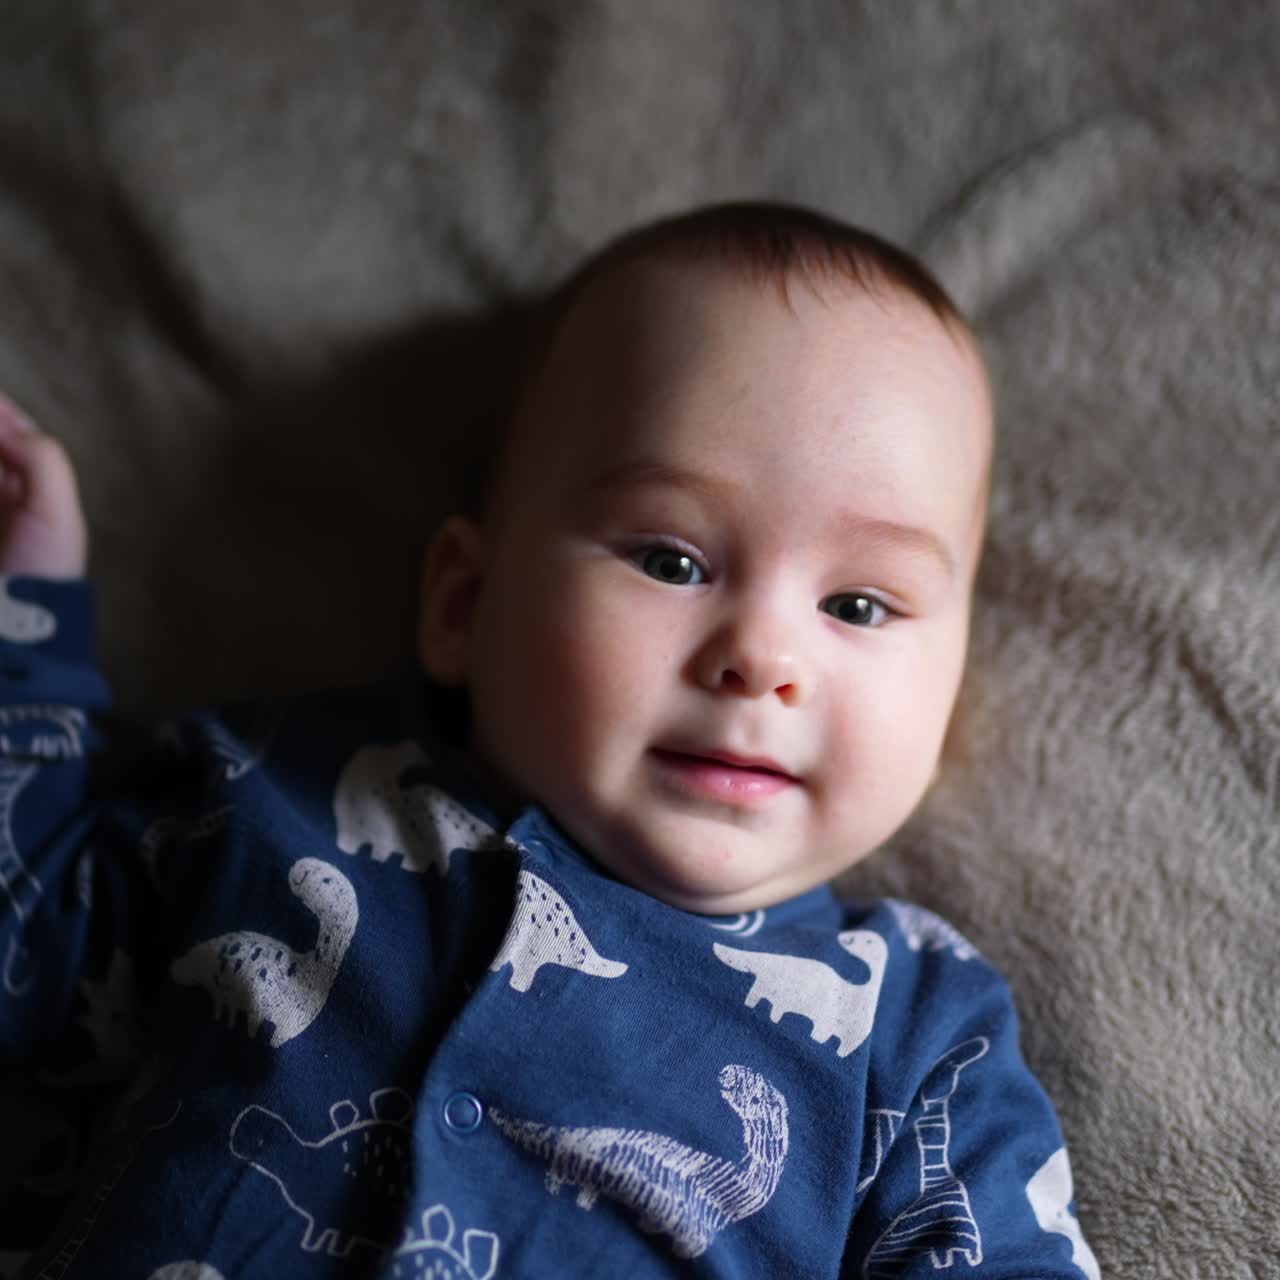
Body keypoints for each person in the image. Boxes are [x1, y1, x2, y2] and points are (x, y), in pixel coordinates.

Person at [0, 204, 1098, 1278]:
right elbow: (26, 952)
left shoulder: (912, 1032)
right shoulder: (270, 794)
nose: (762, 658)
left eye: (857, 605)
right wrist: (21, 623)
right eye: (671, 561)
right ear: (463, 606)